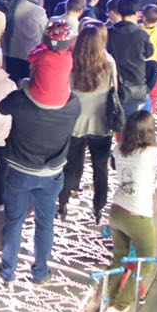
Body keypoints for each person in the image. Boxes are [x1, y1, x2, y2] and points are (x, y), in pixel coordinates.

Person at [0, 65, 81, 284]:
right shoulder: (73, 105)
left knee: (14, 221)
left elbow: (3, 107)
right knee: (45, 223)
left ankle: (8, 270)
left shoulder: (21, 101)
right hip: (51, 173)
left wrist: (25, 86)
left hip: (19, 170)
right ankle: (40, 272)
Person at [103, 110, 157, 312]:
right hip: (137, 215)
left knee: (119, 257)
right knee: (146, 260)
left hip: (117, 210)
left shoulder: (118, 149)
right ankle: (119, 307)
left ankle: (110, 300)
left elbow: (112, 165)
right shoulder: (153, 153)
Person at [60, 21, 118, 221]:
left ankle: (63, 203)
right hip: (101, 124)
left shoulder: (70, 63)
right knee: (100, 169)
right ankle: (98, 207)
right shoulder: (109, 64)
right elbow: (115, 91)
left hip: (75, 124)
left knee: (69, 167)